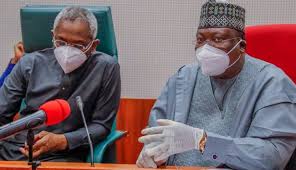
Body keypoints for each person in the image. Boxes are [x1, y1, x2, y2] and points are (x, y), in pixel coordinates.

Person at [136, 0, 296, 169]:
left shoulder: (272, 84)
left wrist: (201, 140)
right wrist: (152, 152)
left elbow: (272, 157)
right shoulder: (182, 78)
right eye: (200, 40)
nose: (206, 49)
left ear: (241, 45)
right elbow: (156, 132)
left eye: (218, 39)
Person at [0, 6, 121, 162]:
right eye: (61, 42)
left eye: (78, 46)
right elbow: (2, 112)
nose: (68, 51)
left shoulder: (106, 68)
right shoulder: (29, 62)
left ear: (94, 45)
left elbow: (101, 125)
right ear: (53, 36)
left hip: (64, 154)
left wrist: (63, 141)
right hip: (17, 149)